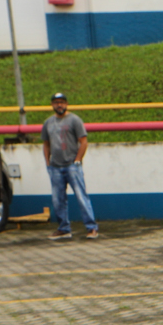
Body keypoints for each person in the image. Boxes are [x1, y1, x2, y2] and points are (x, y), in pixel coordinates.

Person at [42, 93, 99, 240]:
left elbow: (83, 141)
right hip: (55, 167)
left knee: (81, 196)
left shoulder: (74, 120)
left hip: (72, 166)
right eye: (56, 102)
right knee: (57, 199)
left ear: (66, 104)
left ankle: (91, 227)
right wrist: (48, 163)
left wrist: (78, 159)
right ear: (52, 105)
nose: (59, 105)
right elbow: (46, 144)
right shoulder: (48, 123)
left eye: (61, 102)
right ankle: (63, 228)